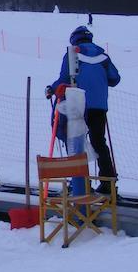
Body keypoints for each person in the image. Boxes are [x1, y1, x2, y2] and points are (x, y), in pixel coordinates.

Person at [47, 25, 121, 192]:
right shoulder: (103, 56)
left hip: (78, 103)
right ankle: (108, 182)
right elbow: (115, 79)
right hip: (100, 105)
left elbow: (64, 78)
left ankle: (81, 184)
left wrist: (51, 89)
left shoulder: (72, 53)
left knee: (75, 143)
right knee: (98, 141)